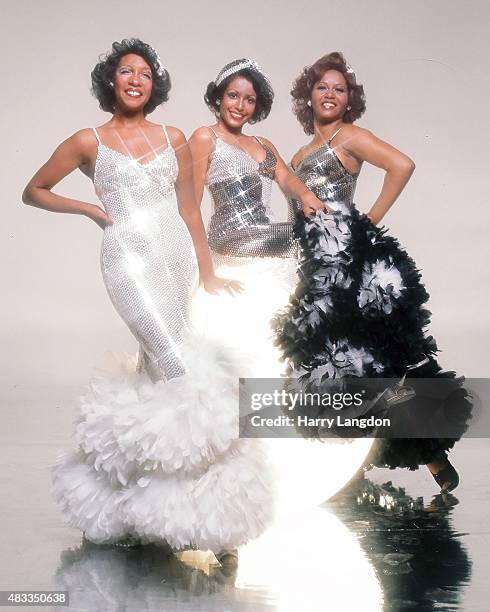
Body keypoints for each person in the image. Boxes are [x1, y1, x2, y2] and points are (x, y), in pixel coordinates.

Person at [22, 39, 273, 556]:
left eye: (144, 73)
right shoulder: (87, 140)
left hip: (175, 257)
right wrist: (90, 210)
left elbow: (189, 210)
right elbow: (35, 190)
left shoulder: (175, 135)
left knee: (156, 373)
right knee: (176, 366)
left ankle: (133, 507)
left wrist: (205, 272)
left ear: (154, 83)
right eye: (125, 72)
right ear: (110, 81)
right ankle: (209, 493)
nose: (135, 80)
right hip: (127, 260)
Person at [272, 52, 471, 492]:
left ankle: (431, 452)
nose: (329, 94)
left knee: (377, 363)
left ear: (349, 100)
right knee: (336, 366)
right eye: (322, 87)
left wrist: (367, 222)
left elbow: (403, 165)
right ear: (309, 95)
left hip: (350, 263)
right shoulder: (301, 151)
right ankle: (358, 463)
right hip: (317, 267)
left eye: (338, 89)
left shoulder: (351, 136)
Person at [189, 58, 327, 377]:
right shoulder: (204, 138)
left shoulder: (263, 144)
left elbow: (286, 178)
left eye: (249, 99)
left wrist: (306, 195)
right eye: (233, 96)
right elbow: (190, 209)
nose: (240, 106)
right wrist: (207, 274)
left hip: (267, 244)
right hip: (232, 243)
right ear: (219, 96)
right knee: (324, 247)